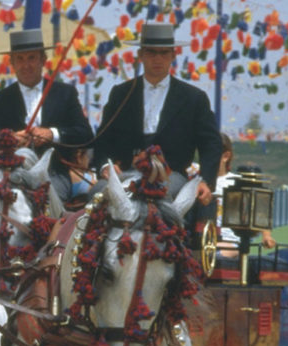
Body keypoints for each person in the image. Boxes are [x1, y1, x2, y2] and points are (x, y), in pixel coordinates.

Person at [93, 22, 220, 216]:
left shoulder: (194, 98)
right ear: (141, 55)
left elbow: (211, 144)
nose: (158, 59)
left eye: (164, 53)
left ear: (173, 55)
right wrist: (104, 166)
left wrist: (205, 180)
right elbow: (102, 139)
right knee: (95, 195)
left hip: (171, 177)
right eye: (152, 53)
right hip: (125, 174)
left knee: (158, 201)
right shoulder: (121, 94)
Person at [0, 28, 94, 201]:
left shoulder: (65, 93)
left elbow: (85, 134)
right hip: (12, 174)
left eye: (31, 58)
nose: (26, 65)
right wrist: (10, 138)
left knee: (49, 201)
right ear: (12, 62)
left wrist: (53, 134)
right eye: (19, 59)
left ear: (43, 59)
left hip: (54, 176)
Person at [213, 134, 275, 262]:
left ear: (226, 156)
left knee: (212, 257)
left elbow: (257, 210)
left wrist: (266, 236)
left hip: (229, 241)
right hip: (204, 240)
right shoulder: (197, 181)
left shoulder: (235, 183)